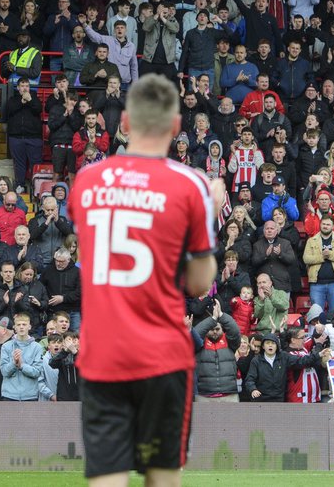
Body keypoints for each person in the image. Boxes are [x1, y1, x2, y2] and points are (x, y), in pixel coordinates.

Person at [70, 74, 225, 486]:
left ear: (124, 122)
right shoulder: (189, 184)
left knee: (106, 477)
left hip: (103, 354)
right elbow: (198, 284)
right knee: (162, 478)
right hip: (162, 356)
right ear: (176, 127)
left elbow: (89, 257)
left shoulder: (86, 182)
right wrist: (210, 211)